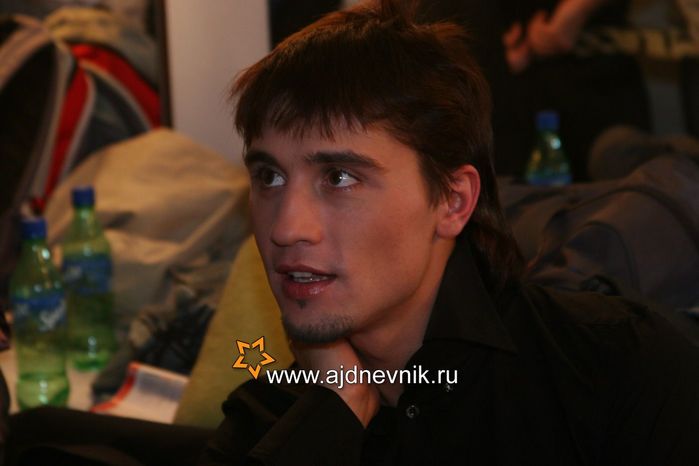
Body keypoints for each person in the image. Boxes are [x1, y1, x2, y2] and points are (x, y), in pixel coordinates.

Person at [200, 1, 699, 464]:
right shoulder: (267, 423)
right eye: (269, 177)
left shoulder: (617, 370)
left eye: (340, 177)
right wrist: (335, 406)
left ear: (453, 201)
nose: (287, 228)